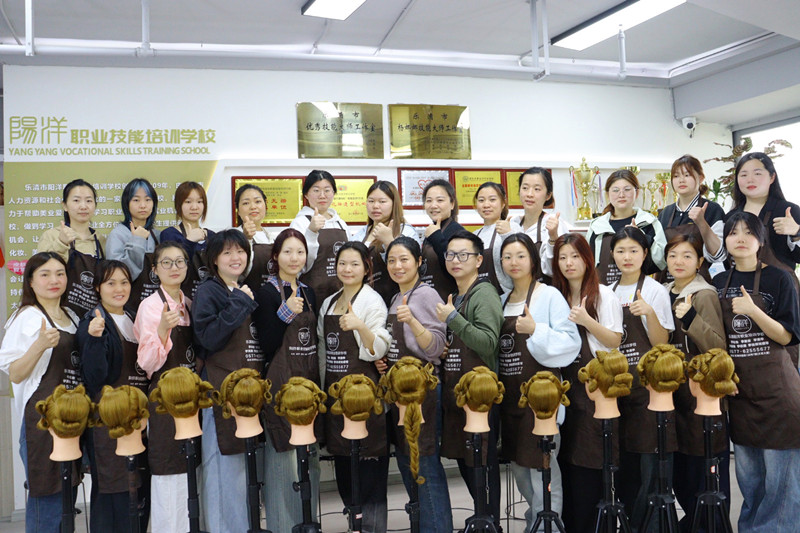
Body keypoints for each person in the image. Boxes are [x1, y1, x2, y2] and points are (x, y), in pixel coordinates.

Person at [712, 211, 800, 533]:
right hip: (740, 396)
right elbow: (716, 338)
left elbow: (787, 336)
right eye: (733, 232)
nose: (740, 238)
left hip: (779, 395)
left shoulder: (780, 278)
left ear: (761, 240)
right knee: (750, 484)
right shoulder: (719, 283)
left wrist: (752, 311)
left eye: (748, 232)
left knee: (781, 488)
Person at [497, 233, 582, 531]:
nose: (514, 262)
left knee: (543, 469)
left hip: (542, 401)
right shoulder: (502, 301)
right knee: (519, 468)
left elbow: (571, 342)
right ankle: (535, 522)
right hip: (511, 399)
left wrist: (536, 330)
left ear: (533, 260)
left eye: (520, 255)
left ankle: (549, 527)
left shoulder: (549, 295)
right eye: (507, 257)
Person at [0, 252, 82, 531]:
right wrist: (39, 345)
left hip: (72, 418)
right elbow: (15, 373)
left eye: (60, 273)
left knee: (66, 502)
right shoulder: (26, 317)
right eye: (45, 275)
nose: (53, 280)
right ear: (31, 282)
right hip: (41, 425)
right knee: (47, 502)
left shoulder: (72, 316)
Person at [550, 233, 623, 533]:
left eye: (575, 256)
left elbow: (615, 341)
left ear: (587, 259)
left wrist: (586, 321)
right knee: (565, 467)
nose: (569, 263)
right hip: (563, 392)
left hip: (594, 391)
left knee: (589, 468)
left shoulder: (603, 294)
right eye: (562, 257)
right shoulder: (555, 296)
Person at [191, 229, 263, 532]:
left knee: (241, 473)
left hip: (245, 393)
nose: (236, 258)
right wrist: (238, 303)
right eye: (227, 253)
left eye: (240, 251)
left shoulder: (241, 288)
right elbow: (207, 337)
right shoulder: (209, 291)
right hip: (219, 392)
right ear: (215, 259)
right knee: (222, 470)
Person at [318, 241, 391, 533]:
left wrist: (360, 326)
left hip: (364, 397)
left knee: (369, 470)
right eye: (342, 263)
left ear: (366, 268)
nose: (347, 269)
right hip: (335, 398)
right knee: (345, 468)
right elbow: (323, 351)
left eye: (354, 264)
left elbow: (379, 349)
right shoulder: (328, 302)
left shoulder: (372, 301)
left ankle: (372, 527)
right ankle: (355, 524)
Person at [252, 228, 322, 532]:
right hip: (281, 387)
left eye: (300, 252)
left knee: (310, 460)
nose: (295, 258)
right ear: (276, 256)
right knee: (283, 462)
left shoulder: (309, 292)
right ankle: (283, 526)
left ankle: (308, 523)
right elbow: (266, 344)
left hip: (308, 387)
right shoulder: (266, 292)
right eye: (288, 252)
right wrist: (284, 313)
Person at [382, 236, 452, 533]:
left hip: (422, 392)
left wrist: (412, 321)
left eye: (404, 260)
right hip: (401, 393)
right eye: (392, 261)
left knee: (424, 464)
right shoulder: (397, 297)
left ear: (419, 262)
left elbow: (436, 347)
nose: (397, 266)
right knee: (408, 462)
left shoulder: (425, 295)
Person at [435, 230, 503, 530]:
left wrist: (453, 319)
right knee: (467, 461)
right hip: (459, 393)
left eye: (464, 255)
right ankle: (481, 519)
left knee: (482, 465)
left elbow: (487, 343)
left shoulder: (483, 292)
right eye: (450, 254)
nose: (455, 260)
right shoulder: (458, 294)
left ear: (478, 260)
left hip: (480, 396)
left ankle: (490, 522)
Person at [608, 226, 675, 529]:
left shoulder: (654, 290)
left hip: (648, 390)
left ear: (645, 254)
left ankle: (646, 526)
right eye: (621, 251)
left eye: (634, 250)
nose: (627, 257)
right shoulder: (607, 291)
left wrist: (649, 313)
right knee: (624, 466)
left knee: (649, 465)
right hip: (617, 390)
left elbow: (662, 343)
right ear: (612, 255)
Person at [77, 260, 150, 533]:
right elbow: (94, 377)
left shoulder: (132, 316)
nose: (119, 289)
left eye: (124, 282)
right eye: (111, 283)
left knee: (137, 493)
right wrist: (95, 339)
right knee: (113, 493)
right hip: (109, 422)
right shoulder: (93, 322)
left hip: (138, 419)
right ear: (98, 287)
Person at [663, 233, 729, 531]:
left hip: (701, 396)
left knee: (704, 474)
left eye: (687, 256)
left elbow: (718, 348)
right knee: (681, 475)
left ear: (700, 261)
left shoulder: (704, 295)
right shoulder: (662, 292)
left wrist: (690, 318)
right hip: (671, 396)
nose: (679, 261)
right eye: (673, 255)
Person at [133, 242, 197, 533]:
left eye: (180, 262)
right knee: (169, 471)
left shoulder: (190, 303)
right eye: (166, 263)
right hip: (164, 400)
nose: (174, 268)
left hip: (191, 399)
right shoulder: (149, 306)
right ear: (155, 270)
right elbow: (146, 363)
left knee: (190, 472)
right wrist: (162, 329)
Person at [586, 169, 667, 285]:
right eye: (615, 190)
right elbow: (588, 263)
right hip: (604, 290)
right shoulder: (597, 226)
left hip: (640, 290)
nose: (621, 195)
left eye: (627, 189)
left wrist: (642, 237)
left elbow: (661, 261)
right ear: (607, 194)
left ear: (637, 193)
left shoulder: (649, 222)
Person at [38, 179, 106, 316]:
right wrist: (61, 243)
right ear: (65, 205)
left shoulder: (101, 240)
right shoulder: (51, 235)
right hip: (60, 314)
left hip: (94, 316)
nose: (83, 206)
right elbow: (41, 274)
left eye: (89, 201)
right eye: (76, 200)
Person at [656, 156, 725, 283]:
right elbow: (658, 255)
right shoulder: (666, 213)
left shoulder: (712, 210)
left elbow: (718, 255)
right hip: (668, 283)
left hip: (699, 284)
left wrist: (702, 223)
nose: (681, 180)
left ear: (701, 178)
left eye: (687, 175)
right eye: (676, 176)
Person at [351, 181, 420, 306]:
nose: (375, 206)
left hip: (396, 299)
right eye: (371, 201)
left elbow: (412, 266)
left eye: (382, 201)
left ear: (394, 204)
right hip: (364, 300)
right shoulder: (361, 234)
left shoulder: (406, 231)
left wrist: (389, 241)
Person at [290, 170, 350, 312]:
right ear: (306, 194)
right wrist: (311, 232)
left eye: (327, 190)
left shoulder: (340, 223)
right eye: (316, 190)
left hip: (341, 293)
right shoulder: (300, 223)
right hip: (311, 295)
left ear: (334, 193)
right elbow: (297, 264)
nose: (322, 195)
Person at [106, 178, 161, 312]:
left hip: (156, 307)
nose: (143, 205)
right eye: (136, 200)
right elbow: (118, 276)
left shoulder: (157, 235)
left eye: (148, 200)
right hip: (128, 308)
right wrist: (137, 241)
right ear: (127, 204)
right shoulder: (118, 234)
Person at [509, 167, 568, 280]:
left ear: (548, 195)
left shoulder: (554, 224)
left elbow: (557, 269)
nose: (529, 194)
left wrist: (553, 237)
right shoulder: (513, 224)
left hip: (546, 288)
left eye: (537, 189)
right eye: (525, 188)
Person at [160, 181, 215, 300]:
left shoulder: (212, 236)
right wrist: (189, 241)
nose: (194, 207)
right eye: (188, 202)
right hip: (180, 298)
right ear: (178, 205)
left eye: (199, 202)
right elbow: (170, 268)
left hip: (209, 299)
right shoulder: (169, 234)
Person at [472, 181, 522, 292]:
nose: (486, 205)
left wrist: (508, 235)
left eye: (492, 199)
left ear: (503, 203)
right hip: (479, 295)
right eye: (481, 200)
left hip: (506, 295)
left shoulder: (512, 227)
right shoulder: (474, 235)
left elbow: (523, 259)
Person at [420, 179, 465, 301]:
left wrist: (436, 237)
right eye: (429, 200)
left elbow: (458, 265)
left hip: (449, 301)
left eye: (440, 200)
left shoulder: (458, 232)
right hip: (429, 300)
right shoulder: (431, 231)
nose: (433, 205)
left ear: (452, 204)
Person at [234, 184, 274, 291]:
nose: (253, 207)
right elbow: (237, 274)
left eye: (258, 201)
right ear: (238, 210)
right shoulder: (233, 236)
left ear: (265, 205)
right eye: (246, 203)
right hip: (246, 295)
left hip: (272, 296)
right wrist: (246, 239)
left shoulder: (272, 237)